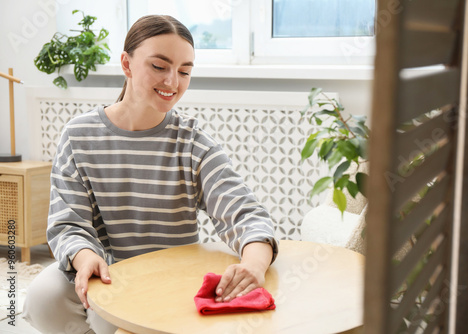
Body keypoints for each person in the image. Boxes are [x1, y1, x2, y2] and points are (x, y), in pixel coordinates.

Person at [23, 15, 278, 334]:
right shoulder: (78, 136)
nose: (173, 82)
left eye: (185, 71)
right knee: (44, 296)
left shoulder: (193, 144)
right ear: (126, 64)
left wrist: (253, 266)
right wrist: (86, 256)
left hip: (172, 279)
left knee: (120, 320)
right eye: (159, 66)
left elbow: (246, 215)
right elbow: (67, 220)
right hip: (110, 270)